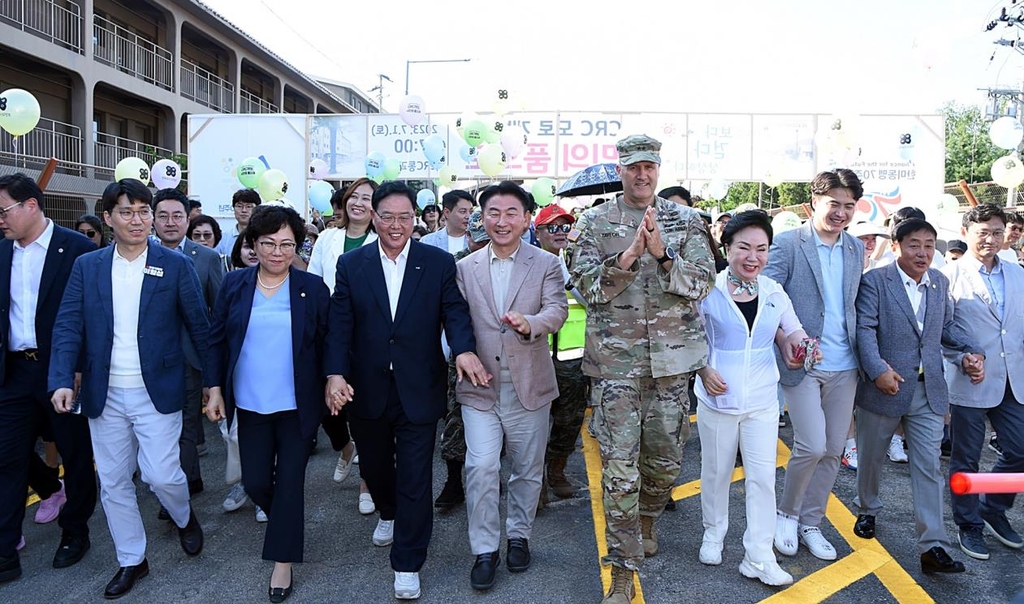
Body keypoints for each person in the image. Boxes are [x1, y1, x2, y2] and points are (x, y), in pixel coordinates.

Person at [324, 181, 489, 600]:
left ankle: (408, 560)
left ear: (415, 218)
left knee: (415, 475)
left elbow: (454, 310)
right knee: (376, 468)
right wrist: (335, 374)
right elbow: (340, 323)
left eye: (405, 217)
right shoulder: (352, 264)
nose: (396, 225)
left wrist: (465, 350)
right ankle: (388, 510)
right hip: (367, 386)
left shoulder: (436, 262)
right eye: (388, 217)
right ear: (374, 218)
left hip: (419, 384)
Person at [568, 134, 714, 604]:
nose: (642, 174)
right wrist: (629, 256)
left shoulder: (686, 220)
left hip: (673, 367)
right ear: (621, 169)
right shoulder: (593, 222)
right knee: (619, 471)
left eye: (649, 166)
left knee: (664, 464)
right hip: (616, 369)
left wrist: (662, 254)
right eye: (633, 167)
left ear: (658, 168)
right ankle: (624, 570)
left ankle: (648, 516)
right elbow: (586, 288)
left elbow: (703, 283)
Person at [48, 178, 209, 599]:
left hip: (158, 390)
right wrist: (62, 378)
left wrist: (213, 384)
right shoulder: (89, 266)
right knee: (115, 481)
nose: (137, 220)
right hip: (105, 393)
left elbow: (200, 326)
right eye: (127, 212)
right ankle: (132, 559)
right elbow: (68, 324)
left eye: (143, 212)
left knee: (162, 475)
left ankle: (183, 516)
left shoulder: (174, 265)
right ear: (108, 218)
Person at [205, 205, 331, 602]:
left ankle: (282, 561)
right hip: (251, 403)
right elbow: (216, 339)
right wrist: (214, 389)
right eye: (269, 243)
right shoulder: (235, 284)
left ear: (297, 245)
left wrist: (335, 380)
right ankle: (287, 524)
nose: (278, 252)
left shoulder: (312, 289)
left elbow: (329, 343)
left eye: (287, 244)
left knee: (290, 482)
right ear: (252, 244)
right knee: (258, 481)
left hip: (297, 405)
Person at [455, 182, 568, 591]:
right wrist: (460, 353)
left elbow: (556, 310)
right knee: (481, 467)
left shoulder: (546, 265)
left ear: (525, 219)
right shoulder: (465, 267)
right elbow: (454, 323)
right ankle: (484, 549)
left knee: (526, 469)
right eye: (493, 213)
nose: (501, 221)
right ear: (481, 218)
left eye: (510, 213)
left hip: (530, 386)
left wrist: (531, 324)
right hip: (480, 388)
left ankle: (519, 535)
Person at [854, 217, 981, 574]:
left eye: (929, 245)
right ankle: (868, 509)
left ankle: (933, 545)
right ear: (895, 246)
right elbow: (864, 329)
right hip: (885, 386)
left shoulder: (939, 283)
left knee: (928, 467)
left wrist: (971, 349)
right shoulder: (875, 282)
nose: (922, 253)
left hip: (928, 390)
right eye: (914, 245)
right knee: (872, 457)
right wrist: (877, 370)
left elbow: (946, 328)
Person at [694, 210, 808, 586]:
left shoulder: (774, 291)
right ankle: (714, 533)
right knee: (716, 473)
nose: (752, 257)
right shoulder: (706, 287)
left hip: (762, 399)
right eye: (743, 247)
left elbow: (792, 332)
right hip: (717, 399)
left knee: (762, 477)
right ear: (727, 248)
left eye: (761, 249)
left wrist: (803, 347)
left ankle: (759, 556)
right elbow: (690, 336)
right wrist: (703, 370)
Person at [0, 173, 97, 583]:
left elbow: (93, 315)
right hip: (13, 371)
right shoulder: (2, 253)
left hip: (61, 369)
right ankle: (5, 550)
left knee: (75, 454)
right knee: (7, 456)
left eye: (3, 211)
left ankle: (75, 531)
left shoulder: (77, 250)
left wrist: (78, 368)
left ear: (31, 206)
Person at [763, 168, 864, 562]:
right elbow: (767, 295)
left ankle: (811, 522)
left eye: (849, 206)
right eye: (833, 204)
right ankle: (786, 514)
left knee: (834, 448)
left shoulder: (855, 249)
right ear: (814, 203)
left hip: (845, 364)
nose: (841, 213)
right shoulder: (787, 244)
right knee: (811, 444)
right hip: (801, 362)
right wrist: (786, 337)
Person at [943, 203, 1024, 561]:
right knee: (966, 458)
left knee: (1020, 450)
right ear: (966, 233)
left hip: (1013, 379)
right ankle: (969, 523)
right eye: (982, 233)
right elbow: (941, 330)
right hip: (970, 378)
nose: (990, 239)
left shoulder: (1018, 273)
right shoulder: (948, 276)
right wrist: (962, 358)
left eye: (996, 232)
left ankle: (992, 507)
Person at [306, 178, 378, 514]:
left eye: (368, 198)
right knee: (328, 407)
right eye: (355, 197)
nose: (359, 203)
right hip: (329, 331)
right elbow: (315, 282)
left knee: (365, 409)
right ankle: (346, 447)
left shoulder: (382, 240)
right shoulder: (327, 237)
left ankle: (367, 481)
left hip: (368, 336)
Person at [153, 188, 225, 509]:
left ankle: (175, 497)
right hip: (149, 360)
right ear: (153, 219)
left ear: (188, 218)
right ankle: (189, 478)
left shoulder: (206, 258)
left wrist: (215, 369)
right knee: (159, 427)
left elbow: (218, 312)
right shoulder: (138, 254)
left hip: (189, 358)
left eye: (177, 216)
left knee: (186, 426)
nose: (170, 222)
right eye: (163, 216)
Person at [436, 210, 491, 510]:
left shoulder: (509, 260)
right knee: (456, 417)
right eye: (477, 240)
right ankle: (454, 482)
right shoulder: (453, 265)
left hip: (502, 351)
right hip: (462, 352)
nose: (482, 246)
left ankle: (489, 477)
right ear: (467, 237)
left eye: (488, 241)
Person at [534, 204, 590, 500]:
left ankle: (556, 470)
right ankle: (537, 479)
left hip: (572, 362)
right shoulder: (528, 264)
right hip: (537, 360)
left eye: (565, 227)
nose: (560, 233)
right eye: (552, 228)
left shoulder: (580, 263)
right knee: (535, 425)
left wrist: (567, 275)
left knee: (569, 424)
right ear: (538, 232)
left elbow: (593, 301)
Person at [216, 188, 261, 256]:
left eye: (249, 206)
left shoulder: (263, 236)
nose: (244, 210)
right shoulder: (223, 238)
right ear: (233, 208)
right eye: (239, 206)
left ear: (257, 208)